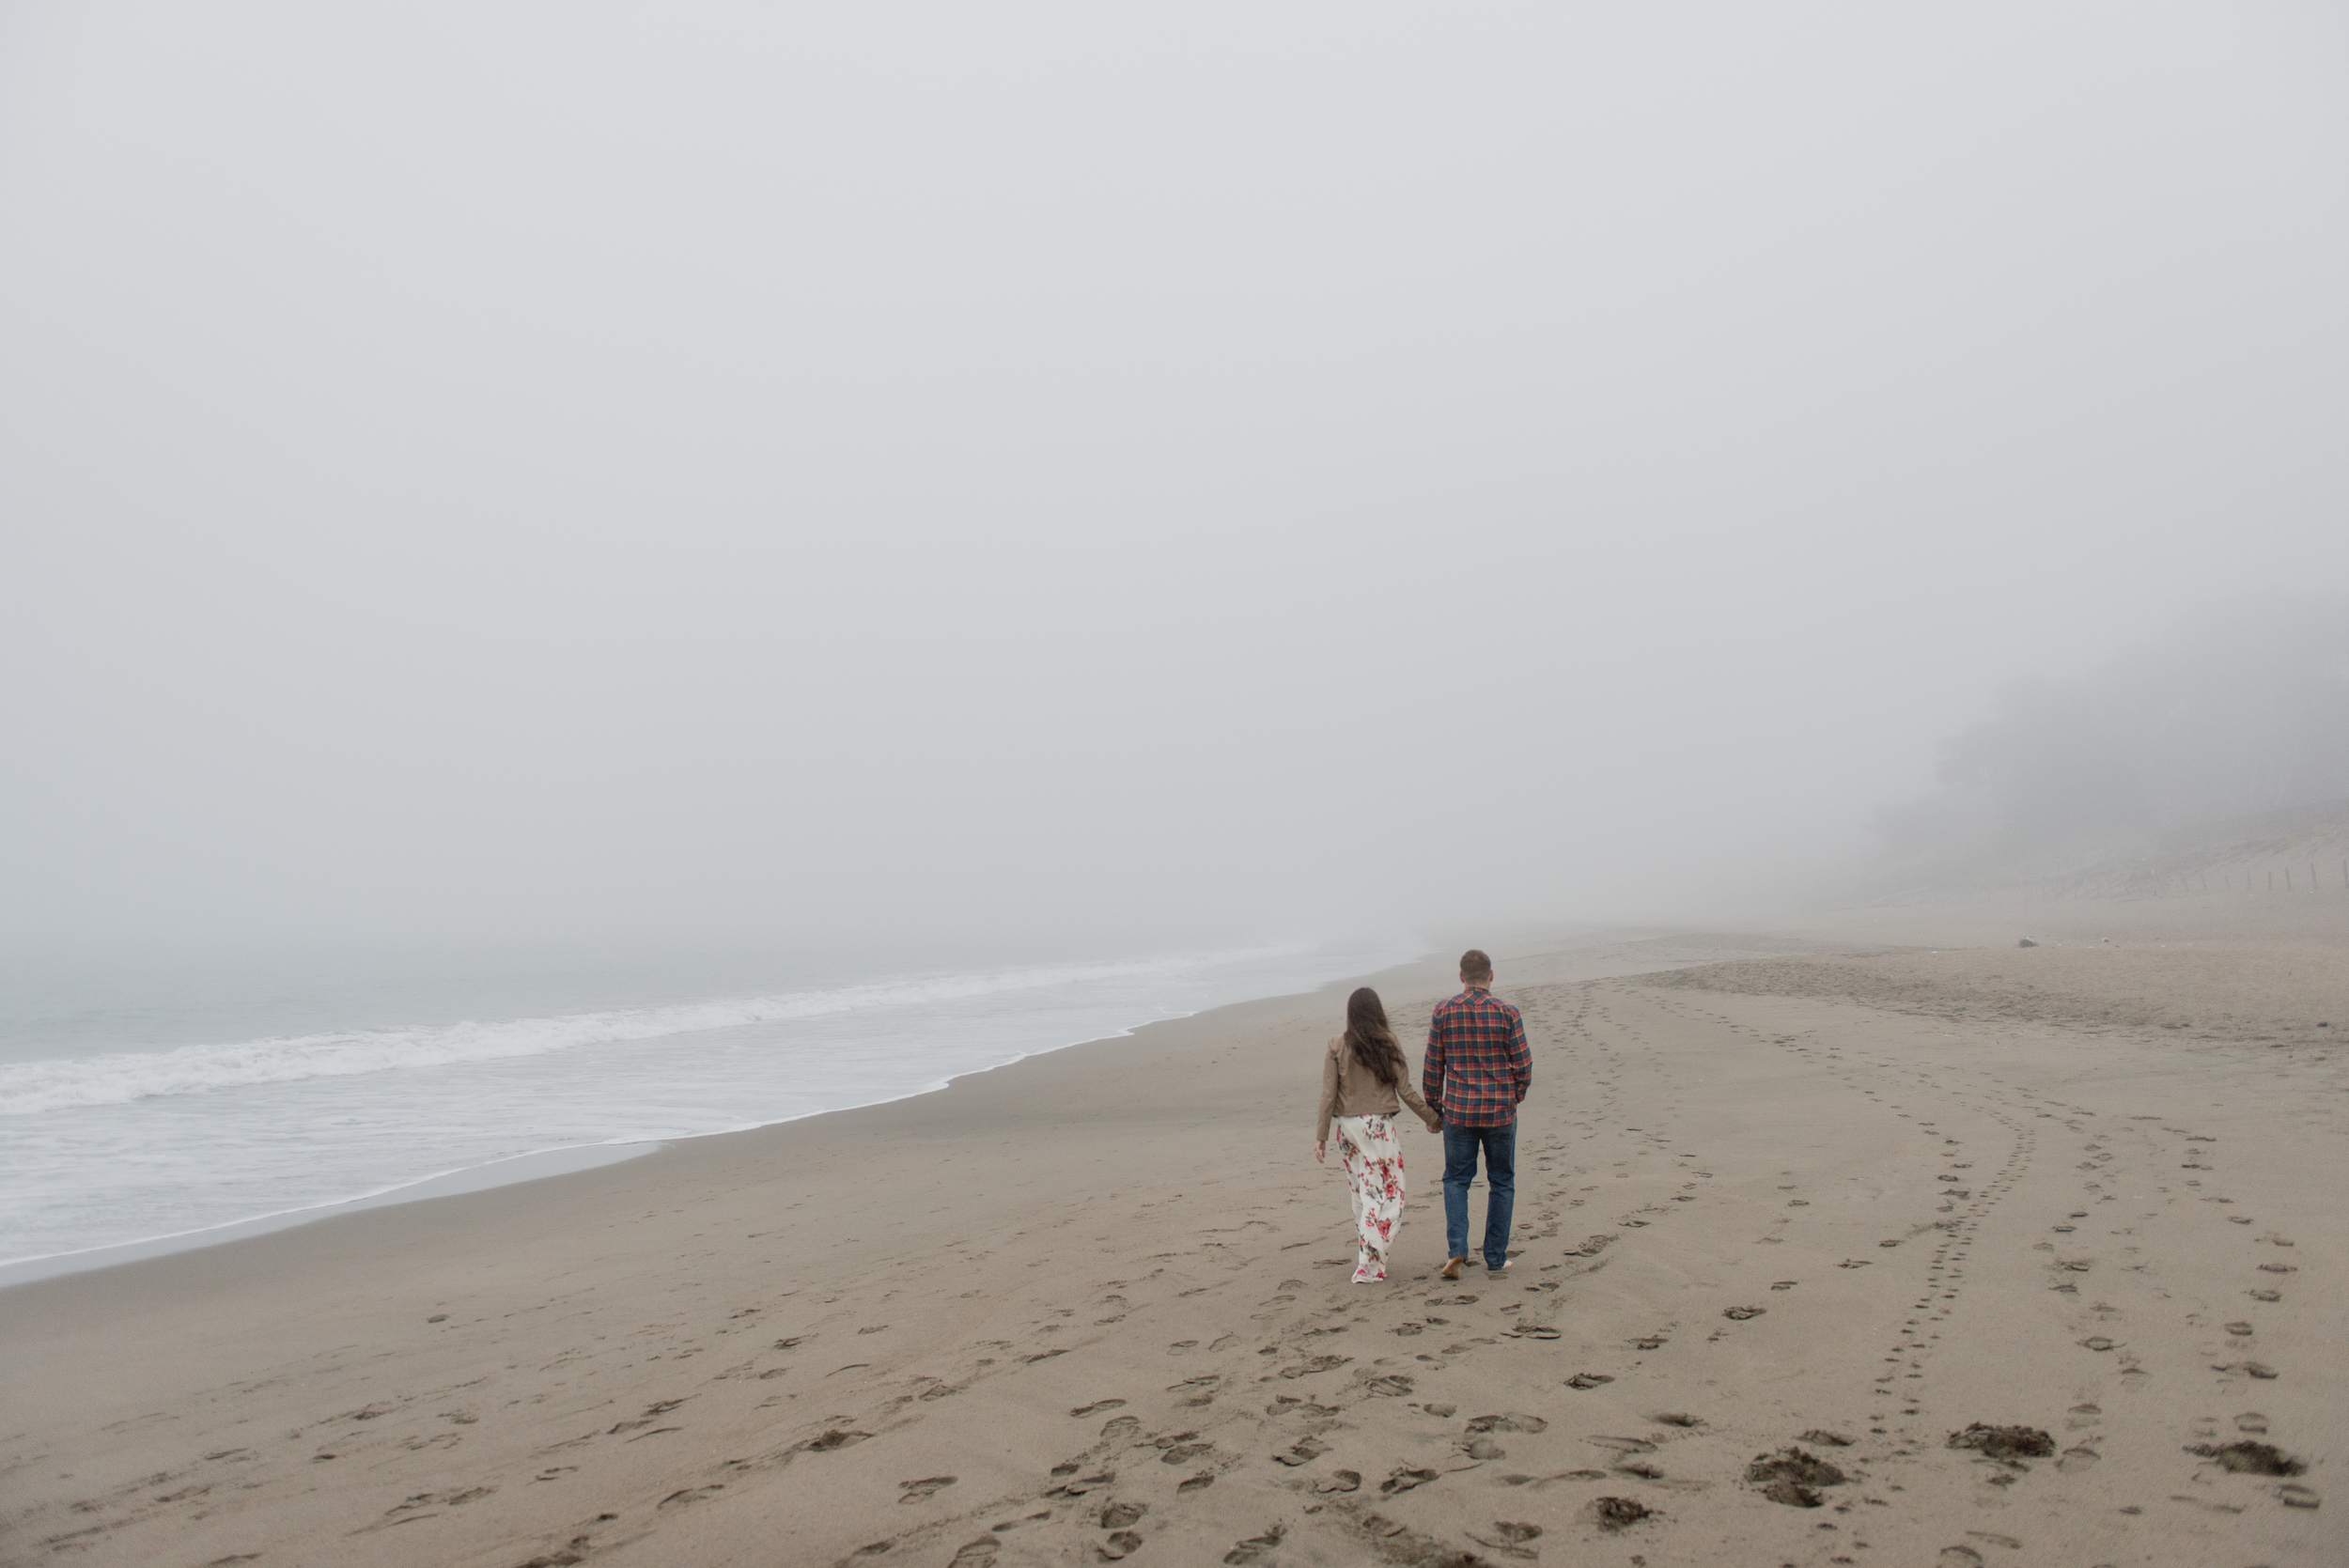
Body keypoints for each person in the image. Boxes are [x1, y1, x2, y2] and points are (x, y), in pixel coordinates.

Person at [1315, 986, 1443, 1282]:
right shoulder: (1386, 1044)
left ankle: (1370, 1256)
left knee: (1361, 1192)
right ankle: (1369, 1262)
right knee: (1389, 1193)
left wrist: (1320, 1136)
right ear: (1378, 1013)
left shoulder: (1336, 1045)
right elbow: (1406, 1091)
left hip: (1346, 1129)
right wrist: (1434, 1118)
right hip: (1377, 1128)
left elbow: (1327, 1095)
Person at [1423, 948, 1531, 1280]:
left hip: (1459, 1110)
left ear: (1461, 977)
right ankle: (1495, 1257)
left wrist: (1435, 1107)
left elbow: (1433, 1065)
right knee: (1501, 1181)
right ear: (1491, 975)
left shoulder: (1443, 1011)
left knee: (1456, 1180)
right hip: (1499, 1111)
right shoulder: (1507, 1012)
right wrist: (1514, 1097)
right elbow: (1523, 1064)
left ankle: (1457, 1249)